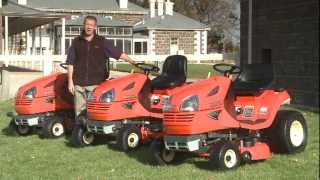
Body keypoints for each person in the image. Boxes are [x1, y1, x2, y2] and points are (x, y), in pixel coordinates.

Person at [66, 15, 136, 119]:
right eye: (87, 24)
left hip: (96, 85)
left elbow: (118, 53)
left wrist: (132, 61)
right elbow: (70, 63)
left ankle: (95, 134)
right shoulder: (76, 42)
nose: (89, 27)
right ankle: (80, 134)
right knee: (79, 115)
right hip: (79, 85)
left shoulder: (102, 42)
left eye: (91, 25)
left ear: (95, 27)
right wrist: (70, 82)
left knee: (94, 114)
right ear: (83, 26)